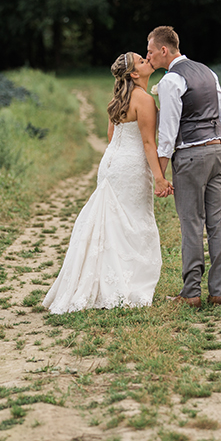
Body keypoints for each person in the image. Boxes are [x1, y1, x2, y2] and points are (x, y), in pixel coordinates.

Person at [42, 52, 171, 314]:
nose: (148, 61)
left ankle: (102, 282)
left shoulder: (117, 99)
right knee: (134, 222)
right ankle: (127, 283)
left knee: (113, 222)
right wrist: (159, 177)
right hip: (131, 167)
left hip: (111, 163)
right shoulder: (144, 100)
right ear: (134, 74)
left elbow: (111, 136)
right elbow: (148, 143)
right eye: (142, 61)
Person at [146, 26, 221, 308]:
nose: (148, 56)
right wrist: (219, 143)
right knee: (217, 222)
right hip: (218, 150)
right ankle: (218, 292)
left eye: (150, 50)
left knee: (192, 224)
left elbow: (168, 133)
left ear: (164, 50)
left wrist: (158, 174)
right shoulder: (208, 71)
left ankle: (191, 293)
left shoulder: (172, 80)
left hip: (191, 155)